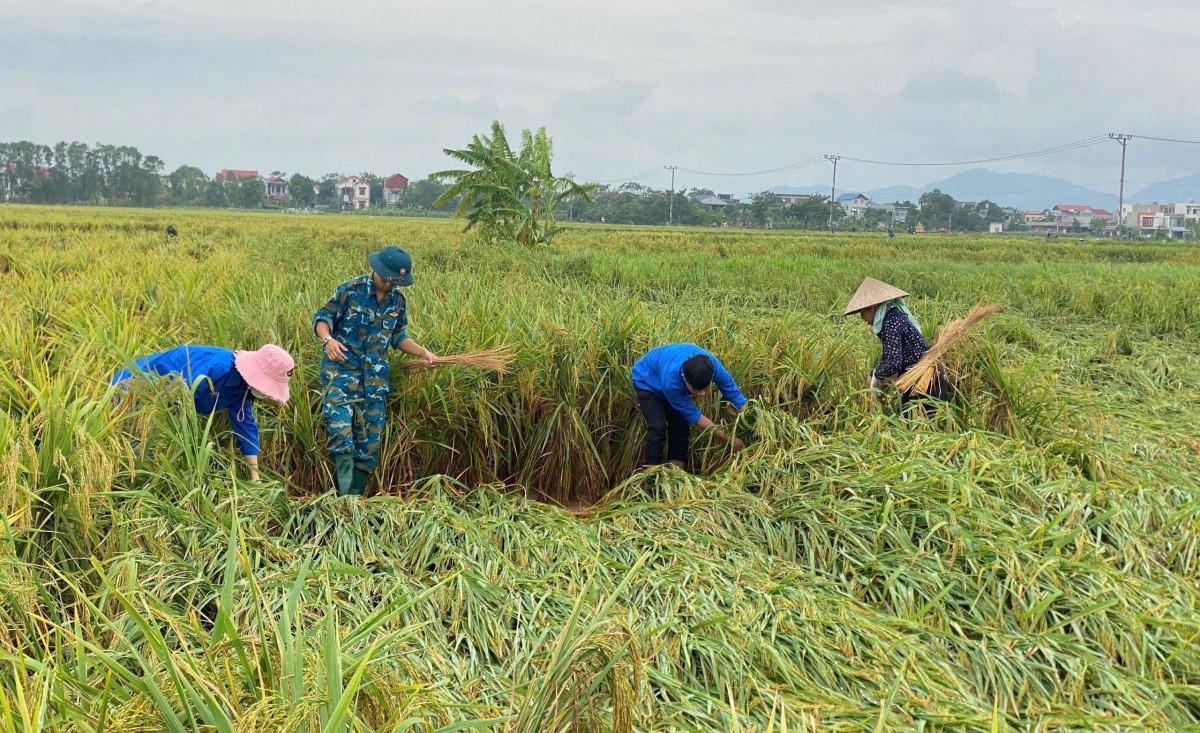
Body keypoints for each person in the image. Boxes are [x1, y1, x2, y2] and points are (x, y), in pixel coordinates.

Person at [313, 246, 436, 496]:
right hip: (341, 374)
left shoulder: (397, 301)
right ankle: (342, 500)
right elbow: (322, 319)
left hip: (375, 382)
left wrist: (422, 352)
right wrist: (328, 341)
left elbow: (399, 335)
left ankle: (354, 501)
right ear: (379, 271)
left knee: (370, 447)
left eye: (397, 282)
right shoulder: (351, 289)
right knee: (340, 434)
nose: (392, 286)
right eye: (390, 280)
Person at [110, 344, 295, 480]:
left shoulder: (243, 389)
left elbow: (246, 428)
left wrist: (255, 479)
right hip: (134, 388)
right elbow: (176, 398)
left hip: (161, 405)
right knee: (138, 458)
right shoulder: (218, 366)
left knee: (152, 460)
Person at [631, 344, 747, 469]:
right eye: (697, 390)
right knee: (658, 427)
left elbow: (733, 393)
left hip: (668, 374)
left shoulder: (712, 366)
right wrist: (728, 439)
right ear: (684, 378)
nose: (702, 394)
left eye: (705, 388)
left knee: (681, 429)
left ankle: (676, 477)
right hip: (647, 382)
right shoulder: (672, 382)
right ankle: (651, 478)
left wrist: (750, 417)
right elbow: (694, 416)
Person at [843, 277, 946, 415]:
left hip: (925, 381)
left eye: (863, 313)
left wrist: (874, 375)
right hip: (920, 378)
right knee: (914, 426)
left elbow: (893, 362)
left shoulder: (890, 322)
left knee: (916, 427)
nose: (863, 319)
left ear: (873, 308)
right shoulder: (894, 316)